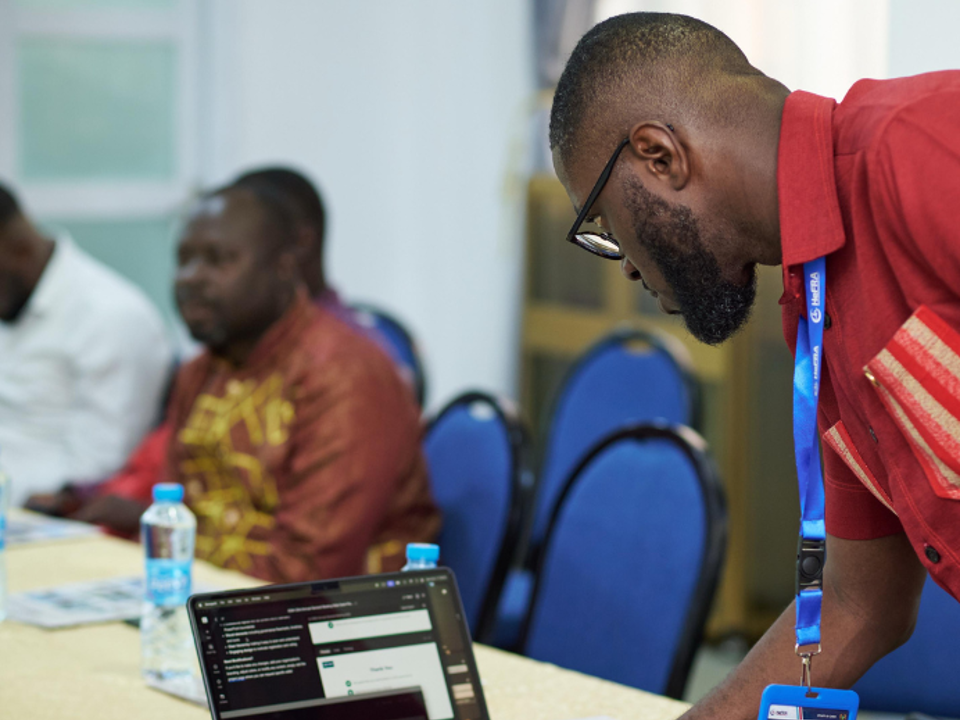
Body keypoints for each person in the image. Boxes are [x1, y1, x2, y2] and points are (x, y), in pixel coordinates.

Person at [549, 12, 959, 718]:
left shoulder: (919, 145)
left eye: (610, 228)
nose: (628, 272)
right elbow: (861, 603)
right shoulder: (818, 311)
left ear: (659, 156)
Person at [99, 181, 437, 581]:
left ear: (284, 267)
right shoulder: (201, 372)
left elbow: (309, 569)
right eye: (184, 259)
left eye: (218, 260)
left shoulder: (344, 377)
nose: (191, 278)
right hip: (209, 600)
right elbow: (178, 516)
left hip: (338, 620)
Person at [0, 181, 172, 507]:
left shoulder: (112, 316)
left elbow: (96, 472)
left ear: (20, 249)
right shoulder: (10, 298)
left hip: (37, 518)